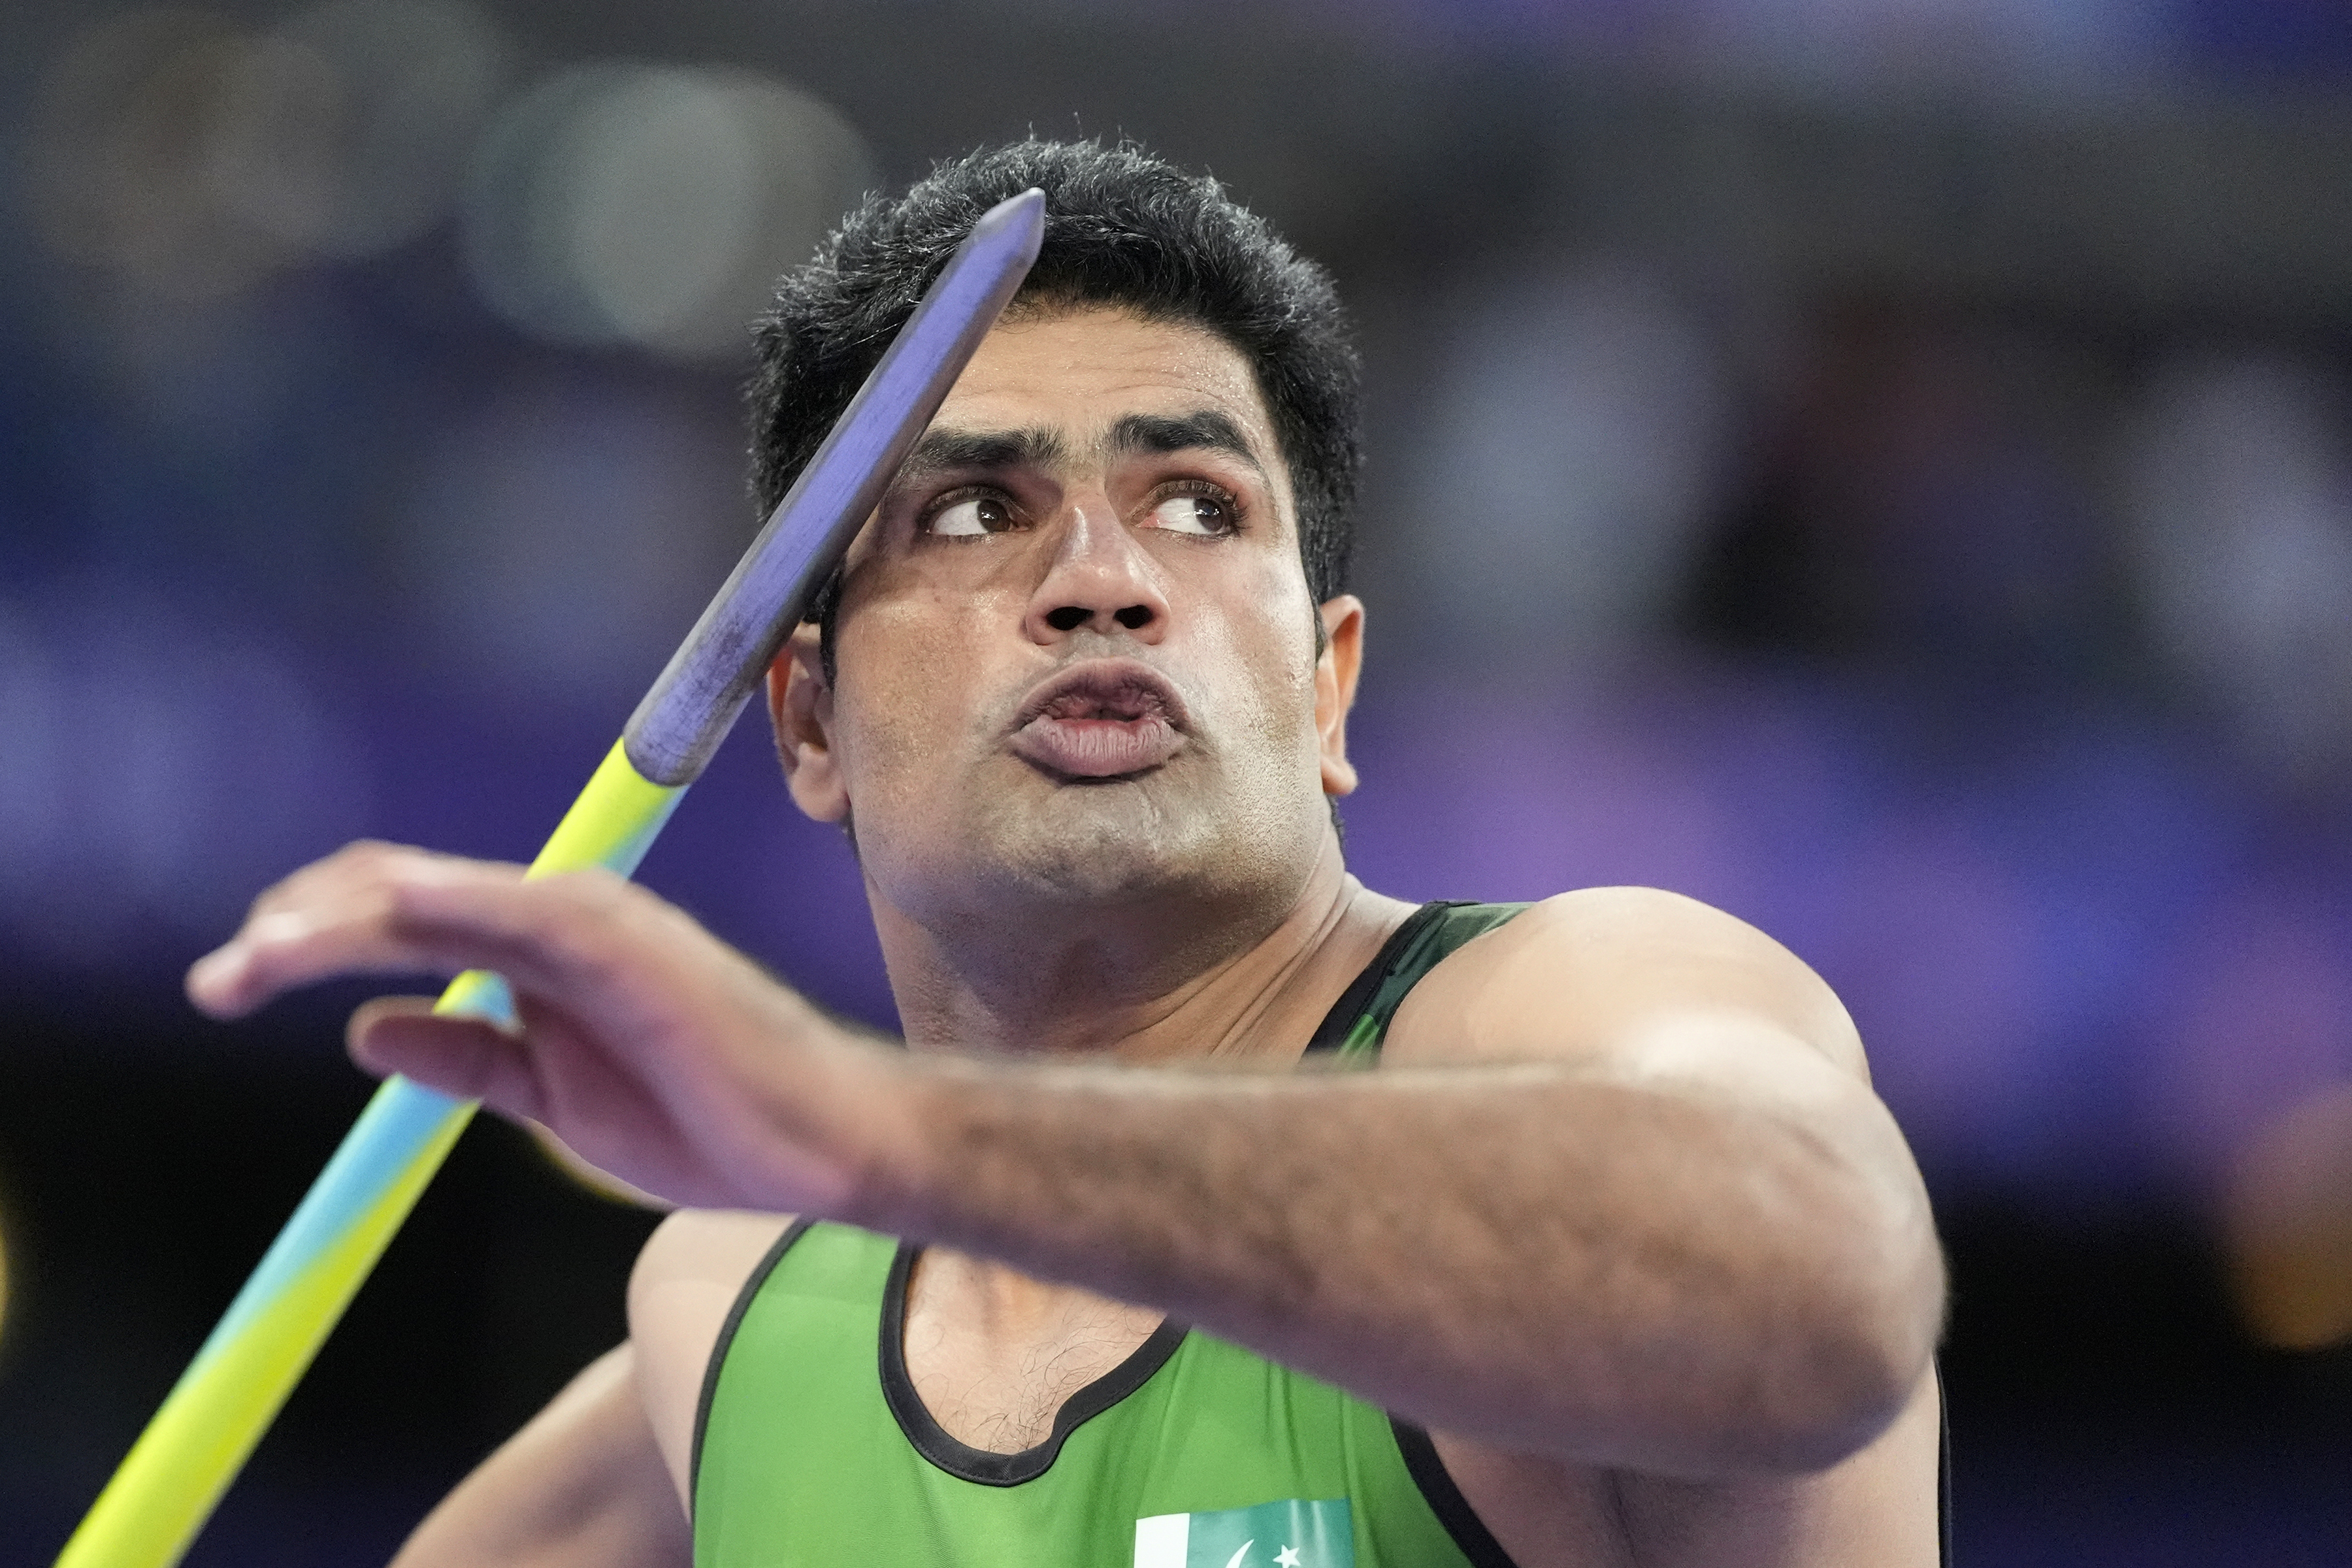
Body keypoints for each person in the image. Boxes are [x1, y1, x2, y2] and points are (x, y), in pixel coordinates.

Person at [188, 140, 1948, 1567]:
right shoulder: (728, 1324)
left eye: (1198, 502)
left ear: (1326, 687)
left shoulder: (1570, 1004)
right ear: (803, 723)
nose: (1105, 576)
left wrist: (871, 1127)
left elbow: (1833, 1295)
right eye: (974, 509)